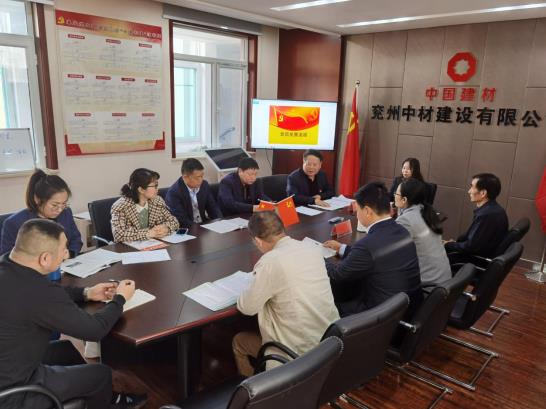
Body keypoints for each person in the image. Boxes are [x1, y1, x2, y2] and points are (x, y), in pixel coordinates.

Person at [0, 219, 146, 409]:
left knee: (65, 349)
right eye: (63, 250)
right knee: (101, 374)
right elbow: (95, 330)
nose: (66, 254)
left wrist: (87, 293)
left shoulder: (8, 265)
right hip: (13, 393)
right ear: (45, 258)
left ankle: (94, 394)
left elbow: (44, 296)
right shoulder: (39, 291)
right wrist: (120, 298)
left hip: (11, 363)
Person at [233, 211, 339, 377]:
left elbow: (247, 307)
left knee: (239, 341)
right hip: (329, 342)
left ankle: (258, 390)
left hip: (296, 353)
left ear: (258, 241)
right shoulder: (311, 249)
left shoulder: (270, 262)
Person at [324, 182, 422, 317]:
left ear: (367, 211)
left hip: (382, 315)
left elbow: (337, 275)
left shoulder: (366, 246)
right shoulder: (402, 231)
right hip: (408, 308)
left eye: (358, 210)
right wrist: (342, 248)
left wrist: (317, 257)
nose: (356, 214)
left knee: (329, 305)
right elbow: (376, 254)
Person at [1, 169, 82, 257]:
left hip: (65, 263)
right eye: (54, 205)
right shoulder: (15, 223)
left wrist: (70, 253)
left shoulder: (66, 212)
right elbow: (6, 257)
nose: (60, 210)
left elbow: (76, 239)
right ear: (37, 199)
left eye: (64, 204)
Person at [394, 178, 451, 284]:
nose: (394, 196)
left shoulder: (405, 220)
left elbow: (393, 252)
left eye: (396, 194)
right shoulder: (427, 211)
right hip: (444, 279)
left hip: (428, 284)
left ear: (404, 199)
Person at [444, 173, 508, 259]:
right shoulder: (494, 209)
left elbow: (471, 247)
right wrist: (455, 244)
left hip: (474, 260)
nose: (469, 191)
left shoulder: (486, 215)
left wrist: (449, 245)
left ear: (483, 193)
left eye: (472, 187)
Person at [111, 168, 179, 243]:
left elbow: (174, 221)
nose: (157, 189)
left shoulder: (157, 201)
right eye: (155, 186)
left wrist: (166, 228)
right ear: (141, 189)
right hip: (129, 248)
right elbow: (119, 235)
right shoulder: (121, 206)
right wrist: (148, 233)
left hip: (153, 245)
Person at [165, 158, 222, 228]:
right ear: (185, 177)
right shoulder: (174, 193)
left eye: (202, 176)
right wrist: (199, 229)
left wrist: (220, 221)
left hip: (204, 225)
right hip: (187, 228)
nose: (201, 180)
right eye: (198, 177)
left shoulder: (204, 185)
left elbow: (213, 208)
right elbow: (181, 219)